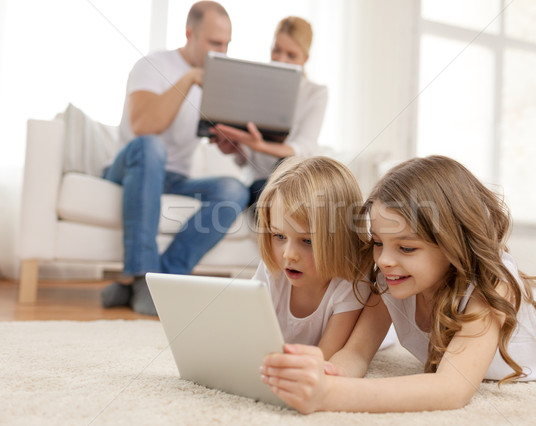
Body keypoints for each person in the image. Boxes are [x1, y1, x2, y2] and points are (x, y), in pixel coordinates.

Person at [260, 155, 536, 413]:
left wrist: (329, 394)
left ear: (452, 245)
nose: (384, 261)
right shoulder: (389, 278)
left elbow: (452, 389)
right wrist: (324, 373)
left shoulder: (489, 287)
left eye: (406, 247)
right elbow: (357, 353)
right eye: (377, 243)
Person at [101, 1, 249, 316]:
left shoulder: (215, 81)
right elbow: (144, 127)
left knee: (234, 189)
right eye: (214, 43)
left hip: (175, 178)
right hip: (131, 168)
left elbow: (214, 137)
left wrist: (229, 143)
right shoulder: (152, 65)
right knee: (151, 147)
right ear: (189, 34)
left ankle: (158, 281)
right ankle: (140, 272)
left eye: (226, 44)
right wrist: (189, 79)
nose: (221, 52)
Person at [253, 156, 370, 360]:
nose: (288, 254)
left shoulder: (351, 282)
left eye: (307, 241)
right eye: (279, 236)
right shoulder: (272, 269)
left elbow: (324, 356)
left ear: (342, 240)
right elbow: (247, 333)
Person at [212, 16, 328, 207]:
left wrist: (258, 145)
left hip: (296, 182)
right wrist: (237, 148)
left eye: (291, 55)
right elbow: (246, 161)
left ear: (305, 59)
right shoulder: (255, 87)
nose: (281, 60)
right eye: (277, 50)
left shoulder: (315, 93)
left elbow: (303, 147)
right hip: (261, 183)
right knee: (270, 196)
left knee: (297, 197)